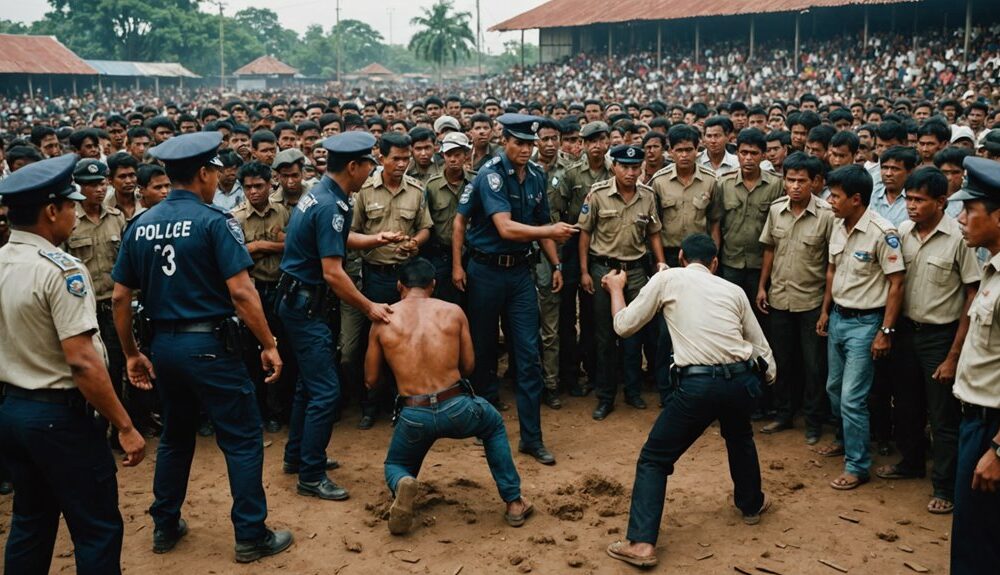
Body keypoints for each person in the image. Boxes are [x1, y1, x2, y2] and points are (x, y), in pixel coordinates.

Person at [110, 132, 292, 562]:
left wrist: (133, 352)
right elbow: (243, 292)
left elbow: (120, 297)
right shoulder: (216, 221)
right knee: (243, 439)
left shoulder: (141, 224)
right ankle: (251, 535)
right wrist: (268, 343)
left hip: (164, 347)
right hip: (211, 346)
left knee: (175, 437)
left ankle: (164, 525)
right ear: (206, 174)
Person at [0, 154, 146, 574]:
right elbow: (82, 363)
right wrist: (124, 425)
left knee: (30, 521)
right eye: (69, 205)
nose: (74, 214)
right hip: (59, 417)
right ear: (51, 210)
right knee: (97, 526)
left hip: (14, 410)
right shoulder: (61, 271)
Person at [603, 233, 775, 569]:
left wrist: (616, 289)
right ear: (715, 263)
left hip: (698, 385)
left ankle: (640, 544)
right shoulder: (734, 290)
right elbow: (763, 349)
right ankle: (751, 505)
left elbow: (623, 326)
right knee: (740, 436)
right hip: (740, 380)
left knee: (654, 459)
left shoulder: (668, 278)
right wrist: (762, 380)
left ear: (681, 256)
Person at [364, 258, 532, 535]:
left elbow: (370, 380)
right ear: (433, 284)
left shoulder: (383, 319)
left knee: (396, 464)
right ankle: (514, 502)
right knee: (492, 424)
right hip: (457, 407)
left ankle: (403, 482)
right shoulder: (453, 312)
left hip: (414, 412)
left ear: (399, 286)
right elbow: (468, 366)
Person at [276, 132, 401, 500]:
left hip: (296, 299)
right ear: (353, 166)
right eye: (367, 166)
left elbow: (337, 239)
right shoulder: (331, 203)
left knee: (308, 385)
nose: (369, 172)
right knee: (327, 391)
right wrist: (369, 306)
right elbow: (333, 271)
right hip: (304, 304)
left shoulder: (325, 193)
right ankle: (311, 475)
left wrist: (376, 239)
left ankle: (297, 455)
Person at [452, 114, 577, 466]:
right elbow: (505, 228)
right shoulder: (491, 174)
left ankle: (531, 438)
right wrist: (458, 264)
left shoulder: (537, 175)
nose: (525, 149)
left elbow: (539, 224)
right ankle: (484, 428)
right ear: (504, 141)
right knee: (483, 351)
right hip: (486, 271)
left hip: (520, 272)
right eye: (518, 143)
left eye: (530, 144)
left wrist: (555, 264)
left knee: (528, 354)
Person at [875, 167, 980, 514]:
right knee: (905, 404)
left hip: (940, 336)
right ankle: (911, 463)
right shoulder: (902, 232)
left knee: (942, 414)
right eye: (909, 199)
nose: (912, 206)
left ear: (941, 202)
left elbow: (971, 295)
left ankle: (945, 486)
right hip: (905, 331)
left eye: (920, 200)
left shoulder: (958, 239)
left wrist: (953, 355)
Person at [816, 164, 905, 491]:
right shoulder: (839, 226)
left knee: (852, 397)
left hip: (866, 324)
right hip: (839, 317)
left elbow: (897, 284)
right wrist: (826, 310)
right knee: (834, 389)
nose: (829, 200)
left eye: (835, 195)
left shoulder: (884, 233)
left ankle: (857, 465)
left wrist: (886, 331)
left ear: (856, 198)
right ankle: (845, 439)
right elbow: (831, 271)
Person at [351, 132, 433, 429]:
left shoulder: (416, 189)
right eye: (395, 158)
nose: (401, 164)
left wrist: (416, 243)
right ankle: (371, 404)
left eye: (405, 158)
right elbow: (352, 234)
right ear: (381, 157)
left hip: (407, 280)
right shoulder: (364, 191)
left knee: (409, 342)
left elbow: (425, 228)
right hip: (377, 277)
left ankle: (406, 403)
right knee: (376, 342)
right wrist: (375, 240)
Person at [579, 144, 666, 420]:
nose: (630, 173)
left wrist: (660, 263)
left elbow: (653, 232)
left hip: (636, 271)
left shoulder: (647, 196)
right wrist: (583, 271)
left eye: (635, 167)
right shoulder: (598, 194)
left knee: (634, 333)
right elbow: (584, 234)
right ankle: (606, 396)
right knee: (605, 336)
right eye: (625, 167)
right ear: (613, 167)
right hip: (603, 269)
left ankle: (633, 391)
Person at [757, 152, 836, 443]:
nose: (795, 186)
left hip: (811, 302)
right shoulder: (777, 210)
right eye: (790, 180)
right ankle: (783, 414)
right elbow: (769, 249)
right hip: (779, 298)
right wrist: (762, 286)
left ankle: (813, 422)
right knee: (782, 360)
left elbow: (832, 265)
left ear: (815, 182)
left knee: (814, 366)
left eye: (801, 181)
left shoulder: (827, 215)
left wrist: (826, 307)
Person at [947, 157, 1000, 574]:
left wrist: (998, 449)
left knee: (979, 544)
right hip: (977, 422)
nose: (961, 218)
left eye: (970, 211)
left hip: (991, 428)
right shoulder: (991, 266)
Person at [231, 161, 292, 433]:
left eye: (259, 186)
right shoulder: (235, 218)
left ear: (271, 185)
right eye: (248, 187)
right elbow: (236, 257)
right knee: (252, 354)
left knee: (283, 349)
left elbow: (293, 248)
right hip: (251, 293)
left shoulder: (284, 213)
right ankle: (260, 412)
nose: (253, 192)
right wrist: (270, 246)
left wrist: (258, 246)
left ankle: (280, 410)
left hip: (279, 288)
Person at [423, 131, 476, 305]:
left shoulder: (476, 182)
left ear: (466, 156)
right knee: (443, 303)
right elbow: (425, 222)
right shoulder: (432, 186)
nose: (453, 159)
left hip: (471, 253)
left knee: (473, 302)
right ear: (442, 156)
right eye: (448, 155)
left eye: (457, 154)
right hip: (441, 255)